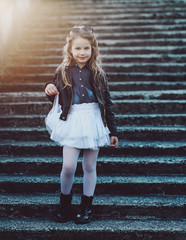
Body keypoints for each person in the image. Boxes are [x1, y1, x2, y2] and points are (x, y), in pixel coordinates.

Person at [44, 26, 118, 224]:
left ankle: (86, 207)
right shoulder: (62, 71)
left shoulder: (98, 73)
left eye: (86, 48)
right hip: (73, 120)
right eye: (77, 48)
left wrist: (112, 130)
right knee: (68, 166)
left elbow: (107, 102)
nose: (82, 53)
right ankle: (64, 204)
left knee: (89, 166)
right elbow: (58, 100)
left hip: (93, 119)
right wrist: (49, 90)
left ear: (93, 49)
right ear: (70, 49)